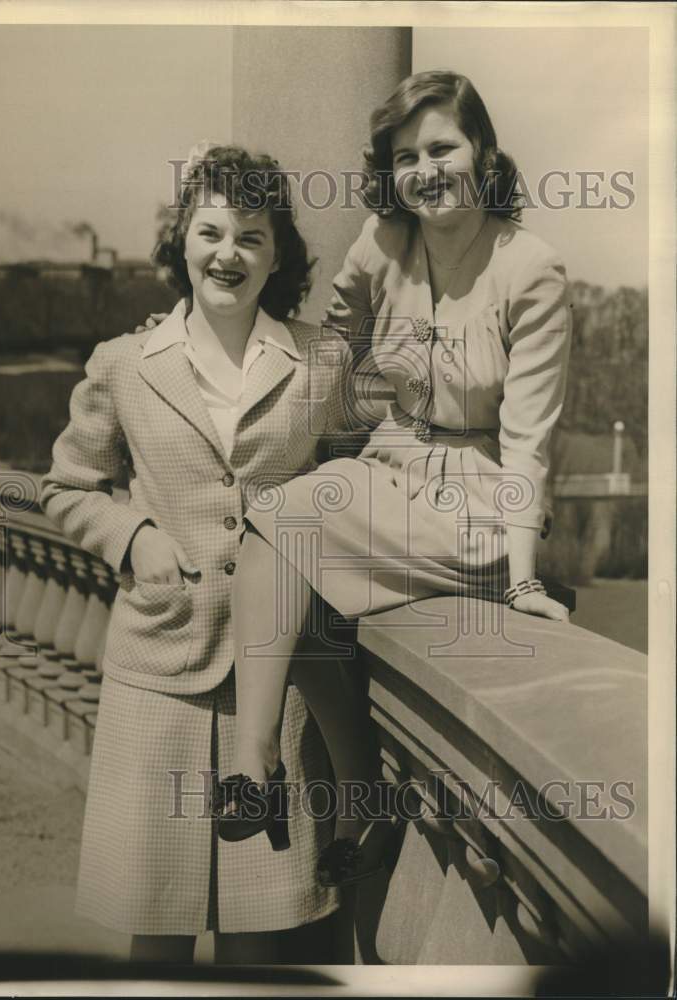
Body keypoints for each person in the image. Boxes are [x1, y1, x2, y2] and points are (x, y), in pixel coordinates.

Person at [220, 70, 573, 886]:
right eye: (406, 156)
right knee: (280, 541)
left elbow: (528, 440)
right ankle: (258, 767)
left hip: (481, 496)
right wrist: (212, 325)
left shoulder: (534, 269)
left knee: (287, 532)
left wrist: (523, 584)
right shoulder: (383, 244)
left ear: (482, 150)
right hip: (392, 460)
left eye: (442, 146)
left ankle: (314, 783)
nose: (426, 169)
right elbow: (328, 344)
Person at [40, 144, 365, 964]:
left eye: (252, 237)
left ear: (278, 255)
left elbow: (362, 487)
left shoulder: (322, 363)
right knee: (157, 940)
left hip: (276, 683)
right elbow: (66, 485)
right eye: (210, 231)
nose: (228, 253)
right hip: (159, 678)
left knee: (265, 944)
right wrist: (132, 535)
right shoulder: (123, 364)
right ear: (180, 241)